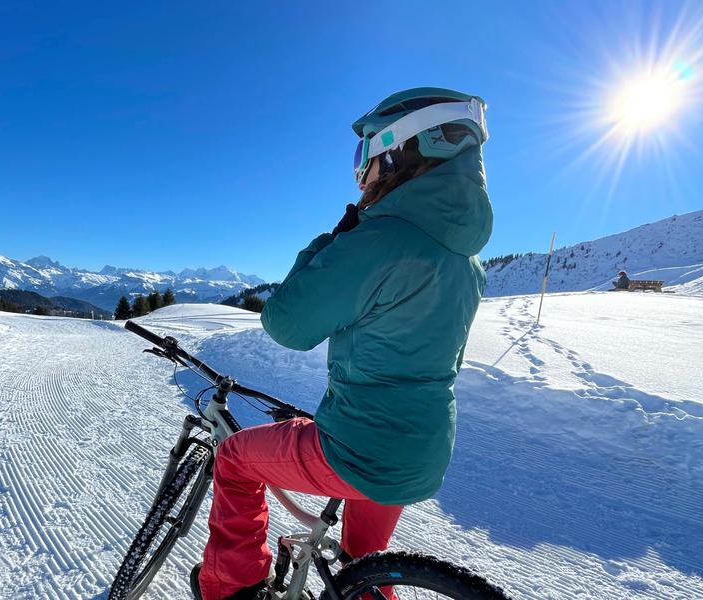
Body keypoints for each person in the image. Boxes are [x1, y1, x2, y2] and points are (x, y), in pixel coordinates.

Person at [191, 87, 493, 600]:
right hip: (420, 448)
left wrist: (332, 242)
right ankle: (366, 587)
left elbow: (286, 323)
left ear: (401, 149)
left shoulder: (381, 239)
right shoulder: (468, 259)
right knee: (364, 568)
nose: (361, 170)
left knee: (236, 458)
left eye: (365, 153)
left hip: (361, 449)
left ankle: (228, 589)